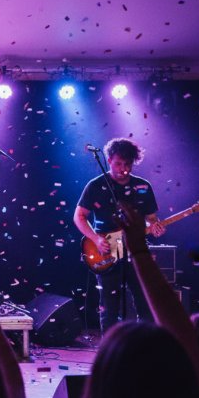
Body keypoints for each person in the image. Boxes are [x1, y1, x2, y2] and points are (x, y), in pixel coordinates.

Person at [73, 137, 165, 330]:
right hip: (106, 251)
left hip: (137, 251)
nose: (123, 169)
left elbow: (151, 218)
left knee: (145, 303)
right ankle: (110, 353)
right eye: (118, 164)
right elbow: (79, 216)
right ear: (109, 160)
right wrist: (96, 239)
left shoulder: (143, 186)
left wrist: (155, 225)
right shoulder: (96, 185)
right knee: (109, 308)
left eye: (127, 164)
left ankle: (143, 349)